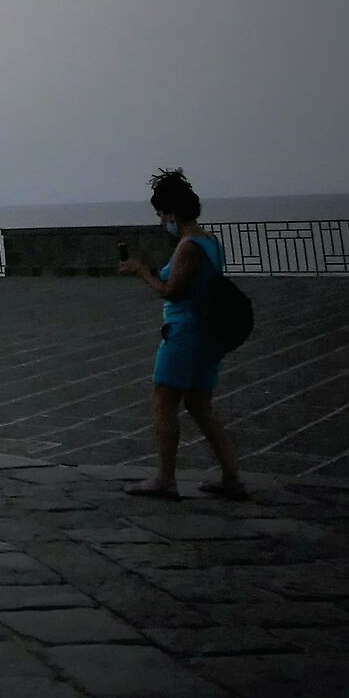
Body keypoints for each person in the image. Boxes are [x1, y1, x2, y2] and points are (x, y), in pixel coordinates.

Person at [117, 166, 249, 499]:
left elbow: (172, 292)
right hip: (208, 332)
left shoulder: (189, 246)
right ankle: (231, 476)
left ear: (172, 212)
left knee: (164, 400)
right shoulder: (210, 242)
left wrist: (141, 272)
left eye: (162, 215)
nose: (163, 221)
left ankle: (165, 478)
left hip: (186, 333)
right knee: (200, 405)